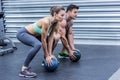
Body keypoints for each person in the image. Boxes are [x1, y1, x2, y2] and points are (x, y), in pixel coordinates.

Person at [16, 6, 65, 78]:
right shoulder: (46, 22)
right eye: (62, 15)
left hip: (34, 35)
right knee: (38, 44)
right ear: (55, 14)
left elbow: (51, 38)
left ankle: (46, 59)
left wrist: (50, 54)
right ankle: (24, 69)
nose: (63, 17)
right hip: (23, 33)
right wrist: (47, 54)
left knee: (53, 39)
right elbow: (43, 40)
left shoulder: (56, 23)